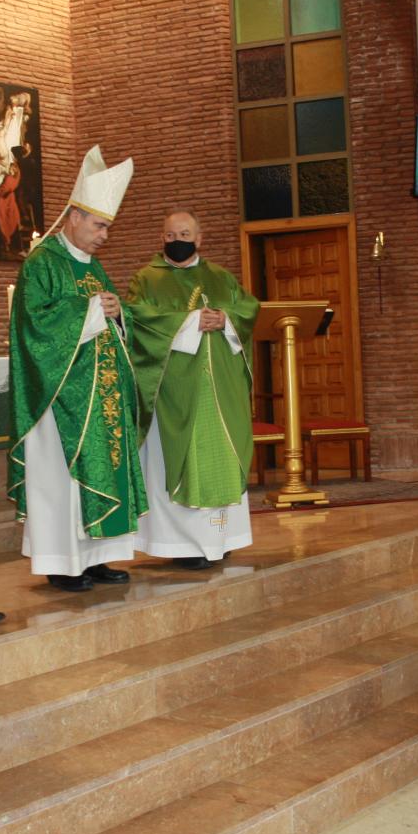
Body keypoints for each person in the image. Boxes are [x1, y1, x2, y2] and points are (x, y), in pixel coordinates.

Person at [8, 146, 147, 592]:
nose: (105, 235)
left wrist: (116, 310)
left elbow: (111, 317)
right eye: (99, 224)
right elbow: (36, 324)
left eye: (107, 226)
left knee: (102, 471)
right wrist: (90, 310)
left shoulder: (94, 266)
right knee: (61, 482)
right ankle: (62, 562)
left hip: (100, 394)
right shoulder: (41, 263)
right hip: (60, 397)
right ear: (73, 216)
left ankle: (98, 556)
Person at [128, 210, 258, 569]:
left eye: (184, 234)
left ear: (199, 238)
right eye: (169, 236)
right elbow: (137, 319)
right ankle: (182, 545)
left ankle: (222, 538)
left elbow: (248, 308)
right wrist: (188, 321)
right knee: (183, 463)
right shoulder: (147, 279)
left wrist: (225, 318)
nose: (176, 241)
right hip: (175, 392)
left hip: (219, 390)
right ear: (162, 237)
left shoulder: (220, 277)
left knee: (221, 461)